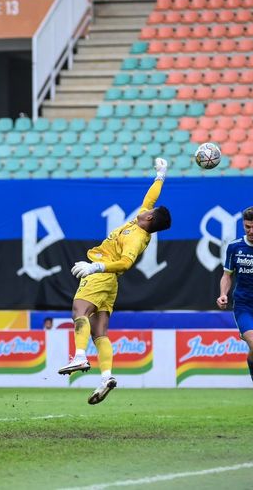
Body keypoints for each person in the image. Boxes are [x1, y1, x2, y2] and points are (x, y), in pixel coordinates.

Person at [59, 158, 172, 404]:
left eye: (149, 212)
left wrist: (94, 267)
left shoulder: (137, 237)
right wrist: (160, 175)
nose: (145, 210)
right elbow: (150, 199)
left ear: (151, 220)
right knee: (100, 332)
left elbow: (126, 263)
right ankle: (107, 377)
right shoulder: (141, 219)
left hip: (101, 276)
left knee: (79, 310)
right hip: (110, 284)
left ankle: (79, 355)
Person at [216, 206, 253, 427]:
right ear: (243, 226)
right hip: (245, 306)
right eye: (247, 227)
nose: (251, 231)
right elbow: (227, 275)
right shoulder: (234, 247)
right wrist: (223, 294)